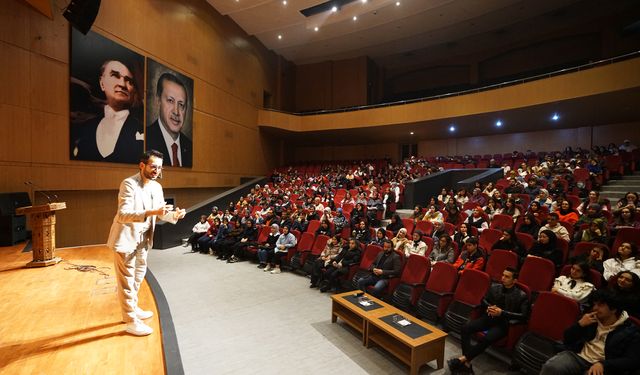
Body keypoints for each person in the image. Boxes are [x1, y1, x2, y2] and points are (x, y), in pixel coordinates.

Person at [107, 150, 186, 336]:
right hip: (126, 238)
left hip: (143, 240)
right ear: (142, 165)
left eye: (159, 167)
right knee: (126, 281)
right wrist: (152, 211)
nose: (156, 170)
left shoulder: (157, 187)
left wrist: (174, 215)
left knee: (137, 277)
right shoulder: (128, 184)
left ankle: (132, 308)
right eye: (153, 166)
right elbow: (123, 214)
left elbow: (160, 212)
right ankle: (131, 321)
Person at [448, 267, 530, 374]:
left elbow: (524, 316)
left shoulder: (522, 295)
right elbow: (483, 300)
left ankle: (461, 360)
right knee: (465, 328)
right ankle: (466, 363)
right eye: (503, 275)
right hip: (489, 318)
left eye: (507, 277)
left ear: (514, 281)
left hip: (504, 323)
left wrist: (502, 313)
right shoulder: (495, 287)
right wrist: (489, 307)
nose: (503, 278)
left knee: (488, 338)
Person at [540, 289, 640, 375]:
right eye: (595, 304)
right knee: (552, 367)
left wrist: (603, 364)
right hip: (578, 356)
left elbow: (632, 360)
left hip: (603, 365)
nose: (595, 308)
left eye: (600, 305)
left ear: (613, 309)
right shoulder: (590, 318)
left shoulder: (630, 331)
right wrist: (580, 325)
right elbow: (567, 338)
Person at [71, 60, 144, 163]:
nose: (122, 84)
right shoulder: (85, 129)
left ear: (134, 92)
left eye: (129, 81)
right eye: (115, 75)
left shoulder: (143, 130)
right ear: (102, 83)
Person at [146, 73, 193, 167]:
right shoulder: (145, 140)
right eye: (170, 101)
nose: (176, 112)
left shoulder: (190, 146)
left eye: (181, 105)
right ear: (158, 101)